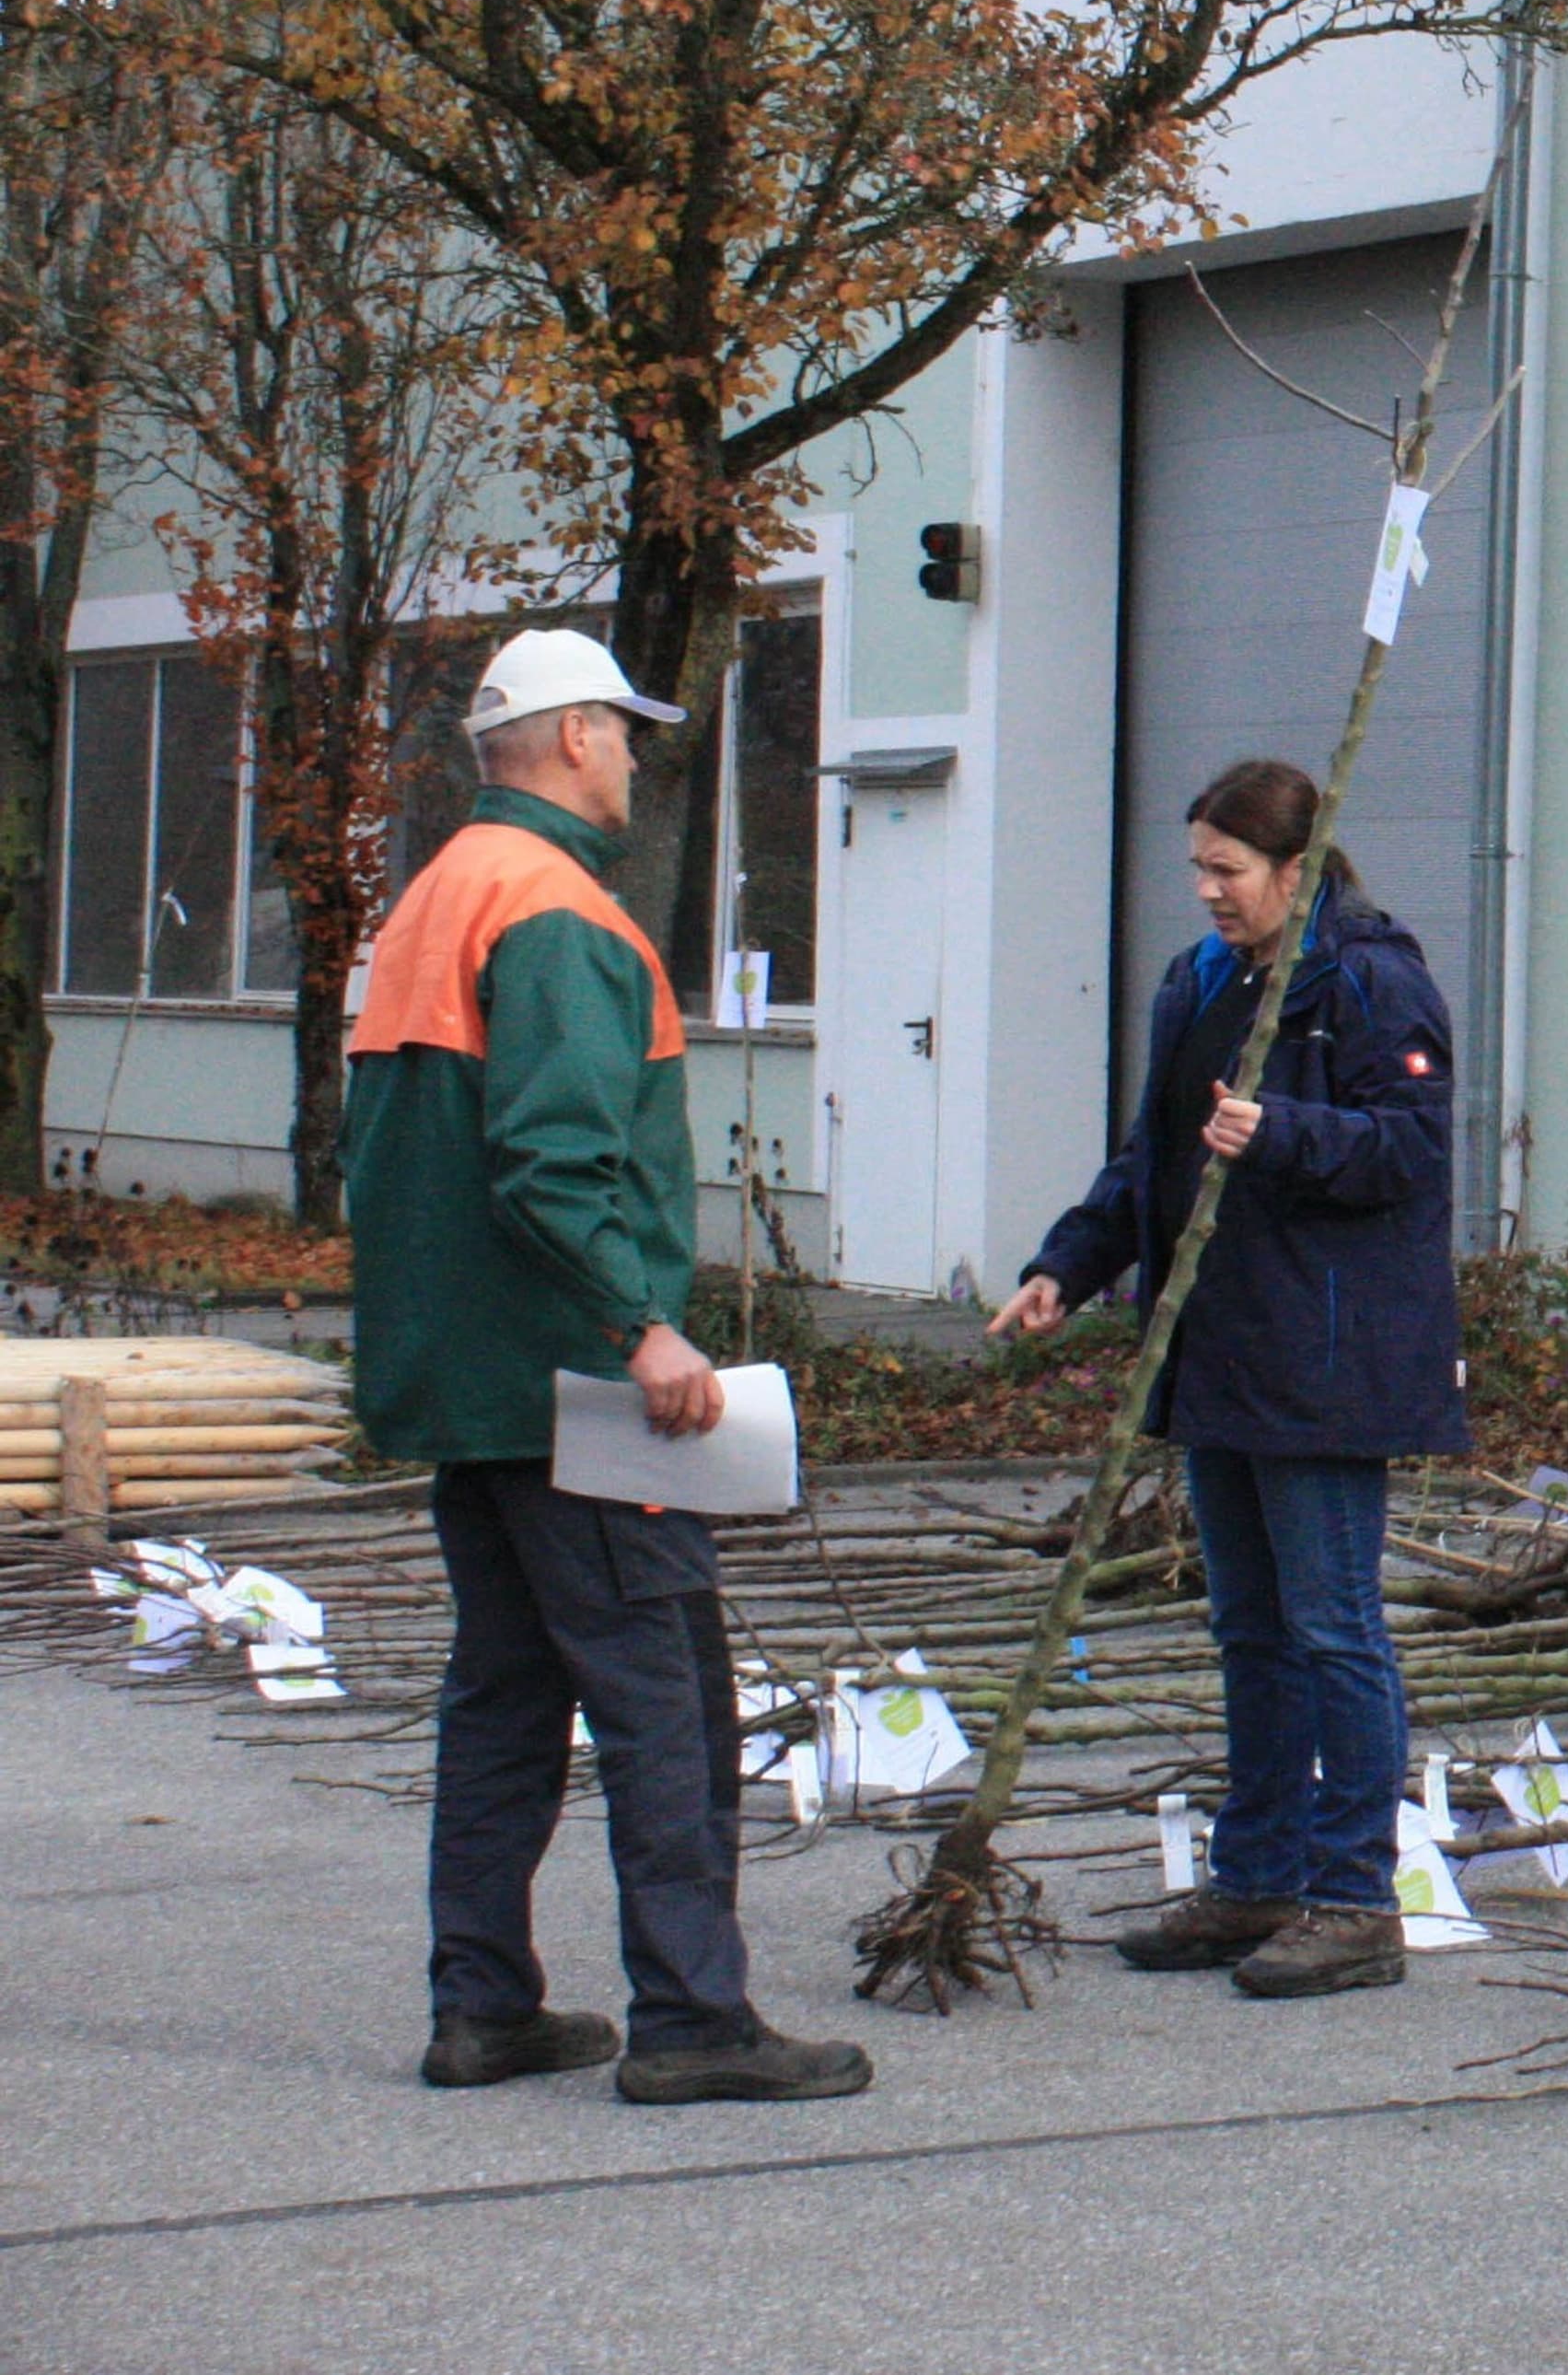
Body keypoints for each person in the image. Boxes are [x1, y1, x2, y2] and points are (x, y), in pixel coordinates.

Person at [347, 625, 873, 2105]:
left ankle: (483, 2006)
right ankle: (695, 2019)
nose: (639, 757)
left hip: (472, 1388)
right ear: (576, 736)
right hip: (577, 1393)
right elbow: (551, 1160)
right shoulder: (559, 910)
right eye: (626, 732)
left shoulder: (434, 898)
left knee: (504, 1697)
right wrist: (638, 1327)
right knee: (666, 1698)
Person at [993, 758, 1470, 1998]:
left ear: (1296, 871)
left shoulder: (1370, 982)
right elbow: (1152, 1159)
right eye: (1196, 866)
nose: (1205, 890)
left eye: (1227, 869)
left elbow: (1414, 1152)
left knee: (1333, 1626)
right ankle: (1255, 1871)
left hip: (1324, 1359)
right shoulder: (1199, 982)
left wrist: (1286, 1132)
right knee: (1248, 1627)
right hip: (1217, 1351)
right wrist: (1069, 1265)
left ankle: (1356, 1892)